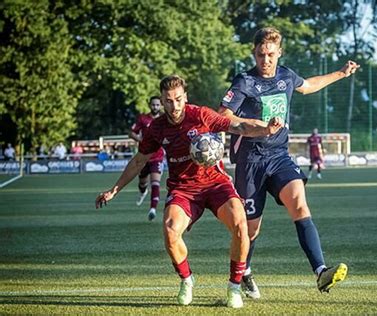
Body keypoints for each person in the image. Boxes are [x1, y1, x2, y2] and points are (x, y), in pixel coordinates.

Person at [95, 75, 283, 308]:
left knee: (240, 224)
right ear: (162, 102)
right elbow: (138, 161)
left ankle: (234, 287)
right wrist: (114, 189)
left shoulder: (201, 115)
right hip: (183, 189)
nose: (174, 106)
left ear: (185, 97)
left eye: (178, 99)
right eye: (168, 101)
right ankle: (186, 279)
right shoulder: (157, 128)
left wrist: (267, 128)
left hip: (215, 183)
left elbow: (239, 125)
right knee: (170, 231)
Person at [219, 27, 360, 298]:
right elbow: (223, 116)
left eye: (271, 54)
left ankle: (320, 272)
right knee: (250, 229)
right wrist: (257, 125)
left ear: (279, 53)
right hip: (250, 161)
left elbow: (308, 86)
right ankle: (242, 274)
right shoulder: (244, 82)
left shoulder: (286, 75)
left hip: (279, 157)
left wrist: (341, 73)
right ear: (254, 53)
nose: (266, 60)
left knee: (299, 202)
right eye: (261, 55)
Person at [129, 96, 166, 221]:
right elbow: (132, 132)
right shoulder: (143, 118)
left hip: (158, 155)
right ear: (149, 105)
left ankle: (153, 209)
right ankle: (142, 191)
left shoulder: (164, 119)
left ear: (161, 105)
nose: (155, 107)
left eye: (157, 105)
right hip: (144, 156)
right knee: (142, 182)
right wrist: (141, 140)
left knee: (155, 182)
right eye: (153, 105)